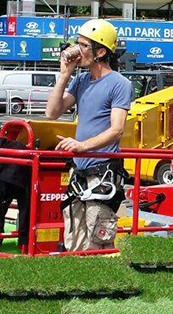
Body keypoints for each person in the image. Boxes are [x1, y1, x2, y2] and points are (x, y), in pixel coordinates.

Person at [45, 19, 133, 251]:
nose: (76, 50)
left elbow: (116, 129)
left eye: (83, 45)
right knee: (74, 238)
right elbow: (52, 112)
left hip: (101, 173)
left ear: (101, 51)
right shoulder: (81, 80)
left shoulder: (119, 84)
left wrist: (82, 146)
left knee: (97, 239)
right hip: (80, 173)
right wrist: (64, 75)